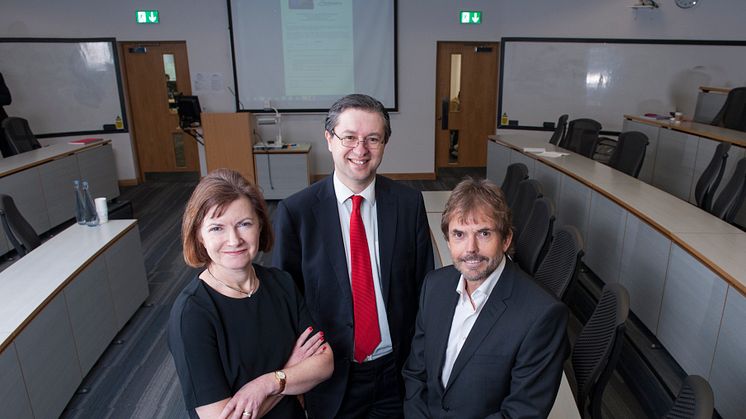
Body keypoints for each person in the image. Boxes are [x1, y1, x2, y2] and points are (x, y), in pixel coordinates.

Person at [272, 94, 434, 418]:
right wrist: (297, 375)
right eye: (349, 137)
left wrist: (420, 367)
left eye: (372, 139)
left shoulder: (409, 204)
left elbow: (425, 290)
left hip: (397, 373)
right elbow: (286, 302)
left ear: (384, 144)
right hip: (331, 378)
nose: (361, 150)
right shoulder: (297, 212)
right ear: (329, 139)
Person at [169, 169, 334, 419]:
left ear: (259, 226)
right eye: (217, 228)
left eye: (244, 224)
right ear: (199, 235)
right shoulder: (192, 315)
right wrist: (289, 375)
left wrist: (267, 383)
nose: (234, 240)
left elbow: (324, 363)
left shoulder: (281, 283)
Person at [402, 177, 569, 419]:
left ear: (506, 240)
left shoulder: (542, 315)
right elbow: (415, 374)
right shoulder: (434, 286)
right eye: (459, 234)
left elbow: (521, 413)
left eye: (483, 233)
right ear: (447, 240)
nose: (470, 248)